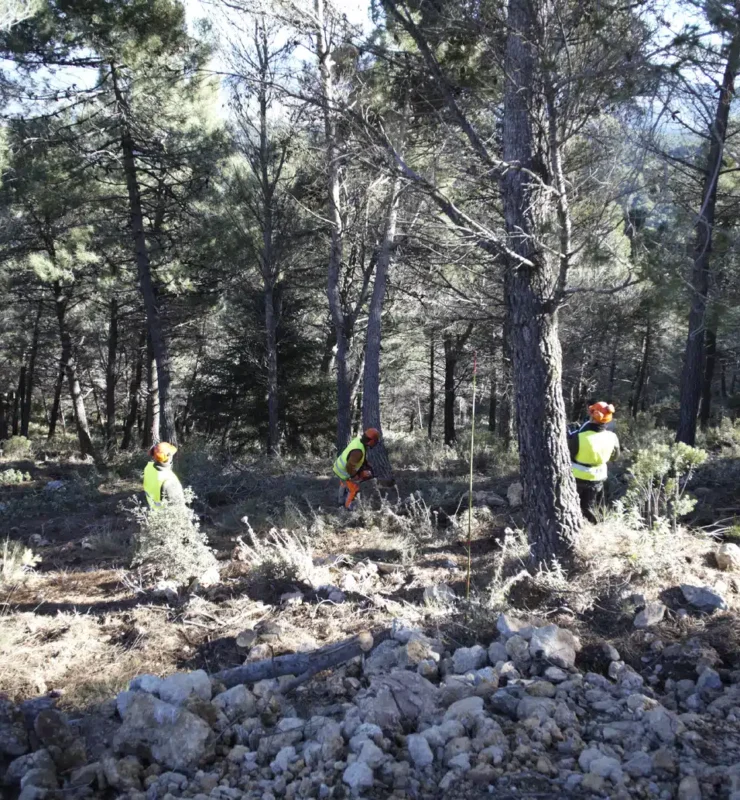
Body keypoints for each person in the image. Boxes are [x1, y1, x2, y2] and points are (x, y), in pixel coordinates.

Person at [568, 401, 620, 523]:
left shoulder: (578, 436)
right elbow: (615, 457)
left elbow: (569, 455)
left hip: (577, 477)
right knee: (590, 507)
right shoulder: (612, 437)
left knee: (572, 506)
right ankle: (592, 526)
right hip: (598, 478)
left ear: (592, 416)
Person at [333, 428, 380, 509]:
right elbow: (349, 466)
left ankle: (341, 501)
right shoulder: (358, 452)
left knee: (344, 483)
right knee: (354, 488)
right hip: (345, 471)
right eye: (375, 442)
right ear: (371, 441)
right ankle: (349, 507)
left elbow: (356, 457)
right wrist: (355, 477)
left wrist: (365, 464)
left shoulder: (359, 441)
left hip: (339, 467)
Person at [143, 441, 185, 509]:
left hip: (151, 508)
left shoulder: (148, 468)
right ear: (169, 456)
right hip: (163, 516)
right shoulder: (170, 480)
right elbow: (178, 508)